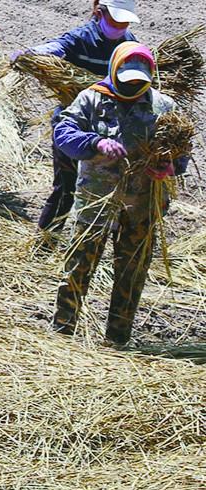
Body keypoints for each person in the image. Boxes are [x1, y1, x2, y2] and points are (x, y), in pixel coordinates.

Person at [52, 42, 187, 346]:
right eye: (128, 81)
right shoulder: (91, 99)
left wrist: (169, 167)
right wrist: (95, 143)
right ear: (114, 71)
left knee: (132, 271)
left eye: (140, 82)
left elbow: (181, 153)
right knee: (79, 266)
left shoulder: (163, 107)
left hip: (142, 205)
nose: (134, 87)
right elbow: (63, 133)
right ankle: (62, 332)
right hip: (97, 201)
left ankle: (117, 339)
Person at [10, 0, 141, 236]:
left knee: (105, 192)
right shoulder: (81, 38)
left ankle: (91, 245)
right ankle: (44, 244)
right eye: (115, 19)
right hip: (74, 126)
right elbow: (56, 48)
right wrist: (29, 55)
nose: (120, 25)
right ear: (99, 12)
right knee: (65, 188)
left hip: (109, 131)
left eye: (125, 20)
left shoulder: (129, 45)